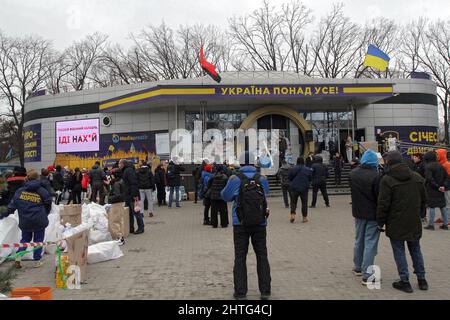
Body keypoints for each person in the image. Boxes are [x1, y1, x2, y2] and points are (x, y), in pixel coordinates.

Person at [221, 153, 271, 300]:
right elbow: (265, 193)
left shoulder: (235, 179)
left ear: (240, 163)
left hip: (240, 223)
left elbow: (225, 196)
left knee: (240, 257)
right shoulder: (261, 178)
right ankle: (265, 291)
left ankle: (241, 292)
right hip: (260, 222)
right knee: (262, 255)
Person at [377, 151, 428, 293]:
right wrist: (421, 214)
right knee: (416, 249)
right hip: (414, 221)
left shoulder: (387, 180)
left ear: (389, 163)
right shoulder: (417, 177)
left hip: (395, 222)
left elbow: (383, 204)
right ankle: (422, 279)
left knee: (399, 251)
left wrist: (380, 222)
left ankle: (405, 281)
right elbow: (424, 200)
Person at [0, 170, 52, 269]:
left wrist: (2, 215)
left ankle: (18, 257)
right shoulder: (42, 190)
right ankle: (37, 260)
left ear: (27, 178)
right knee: (38, 240)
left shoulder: (20, 191)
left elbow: (11, 207)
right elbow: (48, 202)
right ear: (37, 178)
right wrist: (45, 213)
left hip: (25, 221)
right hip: (39, 220)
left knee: (25, 240)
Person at [348, 149, 381, 285]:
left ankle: (357, 267)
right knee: (370, 243)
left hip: (358, 212)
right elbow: (379, 196)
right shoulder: (377, 176)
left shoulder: (352, 174)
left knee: (359, 239)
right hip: (373, 213)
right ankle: (368, 274)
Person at [422, 151, 449, 231]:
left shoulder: (428, 167)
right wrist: (443, 186)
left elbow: (429, 179)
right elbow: (447, 177)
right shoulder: (441, 166)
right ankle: (445, 224)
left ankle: (431, 225)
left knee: (432, 207)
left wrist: (437, 187)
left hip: (431, 190)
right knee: (442, 206)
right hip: (441, 189)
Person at [119, 159, 144, 235]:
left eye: (119, 164)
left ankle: (141, 227)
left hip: (132, 195)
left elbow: (133, 183)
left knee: (136, 212)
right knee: (129, 213)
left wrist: (134, 195)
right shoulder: (126, 170)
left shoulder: (128, 171)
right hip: (128, 195)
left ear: (123, 164)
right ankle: (131, 228)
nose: (118, 165)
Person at [288, 157, 312, 224]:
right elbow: (310, 178)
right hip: (304, 188)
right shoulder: (307, 169)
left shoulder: (293, 169)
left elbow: (289, 177)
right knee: (304, 203)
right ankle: (304, 217)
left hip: (294, 187)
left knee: (293, 202)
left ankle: (293, 215)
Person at [436, 149, 450, 224]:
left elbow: (448, 177)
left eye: (438, 154)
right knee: (443, 203)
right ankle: (444, 218)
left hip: (447, 187)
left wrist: (444, 186)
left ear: (442, 155)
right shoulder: (440, 164)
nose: (436, 156)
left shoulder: (447, 164)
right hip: (443, 187)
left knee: (447, 204)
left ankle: (448, 219)